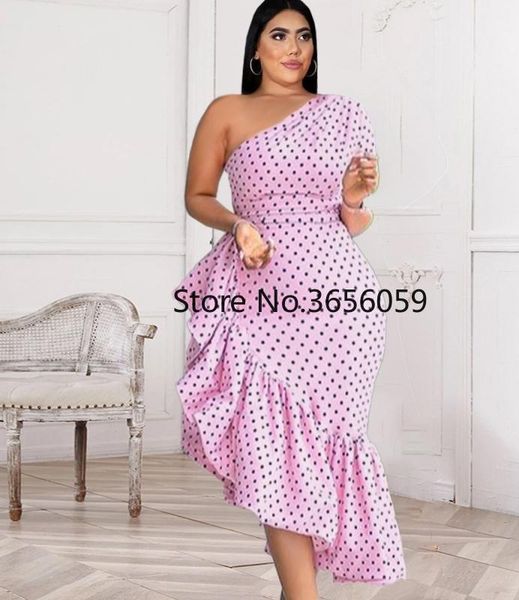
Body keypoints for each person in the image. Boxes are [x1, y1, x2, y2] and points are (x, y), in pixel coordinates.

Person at [174, 1, 406, 598]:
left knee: (321, 449)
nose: (293, 47)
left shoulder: (344, 113)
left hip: (339, 304)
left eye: (304, 36)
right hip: (259, 299)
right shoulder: (227, 111)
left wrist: (351, 196)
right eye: (278, 35)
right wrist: (238, 226)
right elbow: (198, 195)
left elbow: (349, 221)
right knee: (275, 451)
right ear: (256, 47)